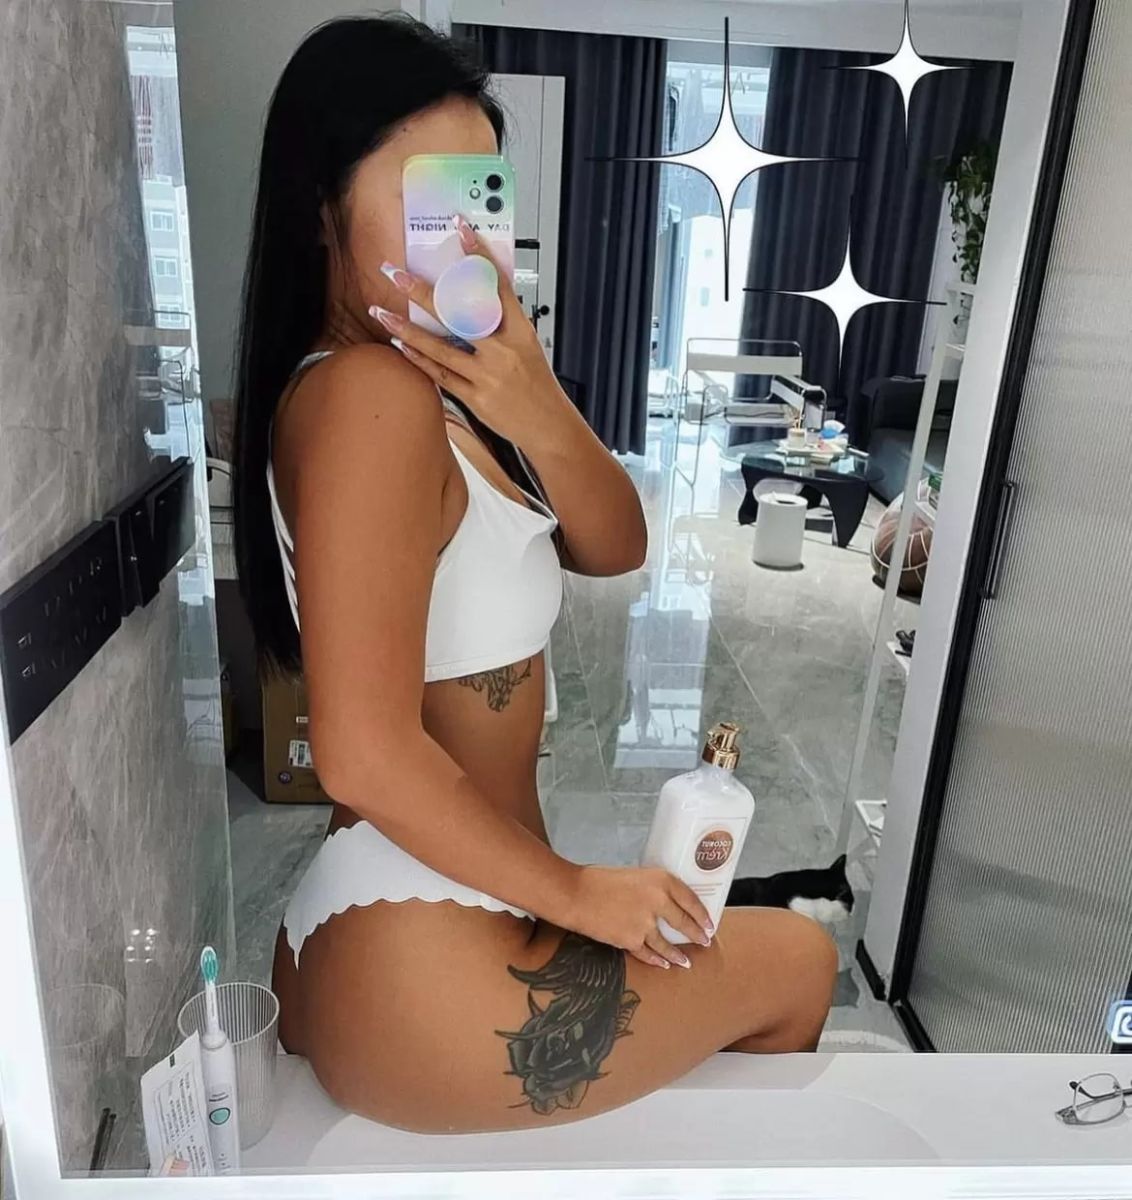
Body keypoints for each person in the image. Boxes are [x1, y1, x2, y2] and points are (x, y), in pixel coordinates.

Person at [232, 14, 837, 1134]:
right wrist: (581, 894)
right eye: (429, 195)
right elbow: (361, 750)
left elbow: (615, 545)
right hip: (416, 940)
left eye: (484, 195)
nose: (464, 233)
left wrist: (536, 399)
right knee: (800, 963)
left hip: (420, 904)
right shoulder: (371, 397)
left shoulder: (433, 389)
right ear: (321, 205)